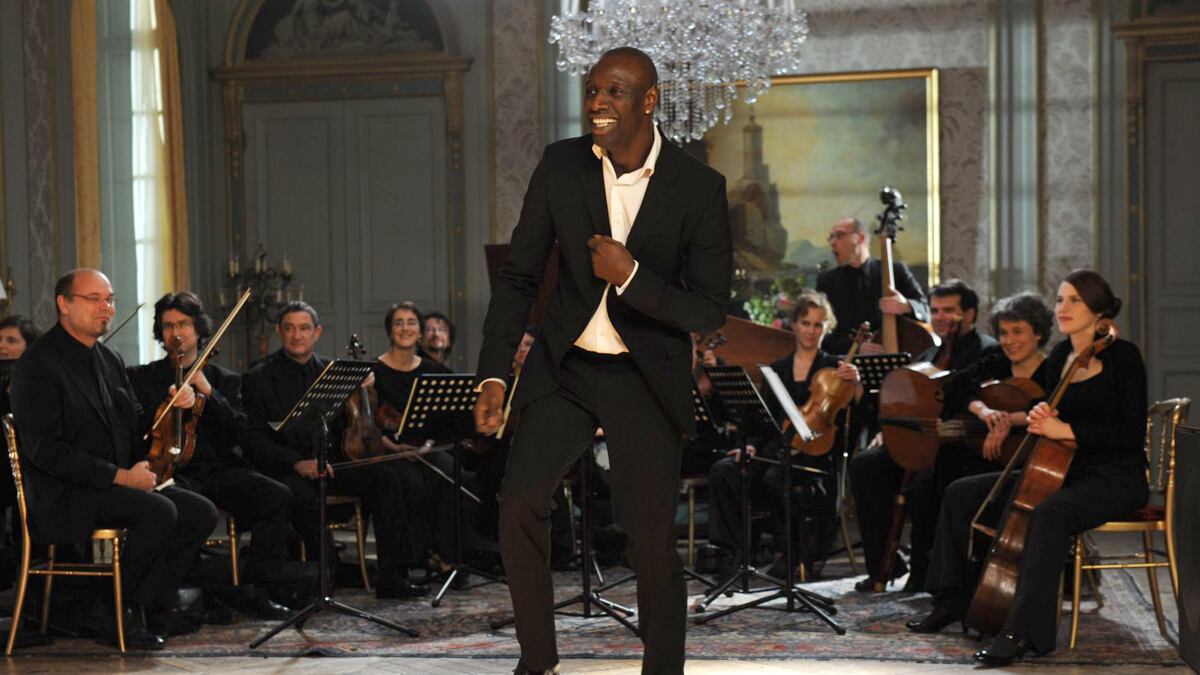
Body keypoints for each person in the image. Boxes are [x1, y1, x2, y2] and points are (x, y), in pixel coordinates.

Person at [472, 47, 732, 675]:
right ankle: (537, 661)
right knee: (519, 502)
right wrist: (494, 373)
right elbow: (519, 277)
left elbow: (708, 309)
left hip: (644, 377)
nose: (598, 103)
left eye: (614, 91)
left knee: (648, 537)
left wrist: (632, 276)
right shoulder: (561, 164)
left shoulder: (699, 186)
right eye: (592, 90)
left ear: (649, 100)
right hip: (565, 367)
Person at [908, 270, 1148, 665]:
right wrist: (1040, 415)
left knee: (1050, 512)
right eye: (1060, 299)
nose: (1063, 307)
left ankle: (1022, 632)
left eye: (1075, 300)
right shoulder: (1060, 357)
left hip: (1115, 475)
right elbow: (1052, 415)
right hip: (1064, 470)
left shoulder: (1124, 357)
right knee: (962, 492)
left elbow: (1130, 432)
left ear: (1098, 310)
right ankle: (951, 600)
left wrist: (1064, 429)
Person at [8, 269, 217, 648]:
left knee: (199, 512)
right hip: (62, 494)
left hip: (111, 484)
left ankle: (149, 602)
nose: (105, 308)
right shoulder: (37, 364)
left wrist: (172, 407)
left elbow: (134, 425)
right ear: (64, 304)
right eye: (94, 299)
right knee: (158, 512)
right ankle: (112, 610)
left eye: (109, 300)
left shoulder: (108, 358)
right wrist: (122, 477)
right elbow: (46, 452)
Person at [240, 301, 425, 599]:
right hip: (288, 469)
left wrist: (362, 389)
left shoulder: (332, 371)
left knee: (389, 477)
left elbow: (347, 426)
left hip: (330, 464)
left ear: (317, 332)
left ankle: (393, 576)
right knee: (297, 493)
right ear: (279, 331)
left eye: (304, 328)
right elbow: (253, 440)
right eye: (289, 328)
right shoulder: (258, 377)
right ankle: (323, 573)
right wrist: (296, 462)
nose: (297, 336)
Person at [126, 292, 293, 618]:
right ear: (160, 333)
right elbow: (138, 432)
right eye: (168, 325)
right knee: (186, 508)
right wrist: (166, 404)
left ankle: (259, 590)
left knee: (277, 496)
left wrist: (208, 393)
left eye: (183, 324)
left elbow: (238, 434)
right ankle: (185, 594)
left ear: (198, 329)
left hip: (217, 471)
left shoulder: (224, 380)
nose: (176, 332)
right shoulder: (142, 378)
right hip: (172, 473)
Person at [848, 279, 1001, 592]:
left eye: (949, 310)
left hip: (959, 446)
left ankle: (924, 571)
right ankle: (883, 566)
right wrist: (890, 431)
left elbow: (972, 398)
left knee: (923, 484)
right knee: (865, 465)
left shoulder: (987, 351)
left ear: (970, 313)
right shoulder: (930, 353)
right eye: (935, 310)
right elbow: (913, 402)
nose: (940, 317)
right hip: (918, 441)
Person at [704, 292, 861, 577]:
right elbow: (763, 419)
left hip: (814, 457)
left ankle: (793, 554)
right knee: (724, 470)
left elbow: (856, 415)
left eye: (818, 324)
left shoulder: (836, 369)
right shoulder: (777, 370)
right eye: (805, 323)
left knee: (775, 477)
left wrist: (857, 386)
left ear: (827, 327)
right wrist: (751, 446)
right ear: (794, 325)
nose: (811, 331)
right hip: (775, 450)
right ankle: (732, 554)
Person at [370, 301, 459, 585]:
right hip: (390, 451)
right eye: (398, 323)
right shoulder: (373, 372)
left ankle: (446, 554)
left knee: (449, 470)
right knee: (410, 480)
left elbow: (444, 421)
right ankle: (418, 556)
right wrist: (395, 448)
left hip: (426, 448)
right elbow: (369, 425)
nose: (405, 328)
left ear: (420, 332)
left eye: (411, 323)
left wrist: (427, 446)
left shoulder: (434, 372)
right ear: (390, 331)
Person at [816, 217, 929, 355]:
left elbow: (925, 310)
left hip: (899, 357)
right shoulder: (827, 281)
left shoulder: (895, 271)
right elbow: (821, 332)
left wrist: (906, 306)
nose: (833, 242)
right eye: (831, 237)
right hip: (846, 362)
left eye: (839, 236)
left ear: (861, 238)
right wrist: (855, 348)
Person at [968, 292, 1053, 460]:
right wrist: (984, 411)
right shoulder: (996, 363)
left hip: (1035, 457)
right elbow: (956, 386)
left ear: (1038, 333)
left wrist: (1004, 420)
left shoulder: (1052, 369)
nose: (1008, 341)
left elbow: (1051, 406)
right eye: (1003, 333)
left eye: (1017, 331)